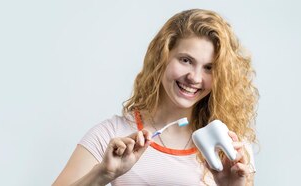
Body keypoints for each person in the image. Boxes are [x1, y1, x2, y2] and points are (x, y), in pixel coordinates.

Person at [53, 9, 258, 186]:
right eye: (186, 60)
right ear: (162, 57)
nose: (194, 77)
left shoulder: (230, 148)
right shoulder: (112, 136)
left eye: (208, 68)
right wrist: (103, 173)